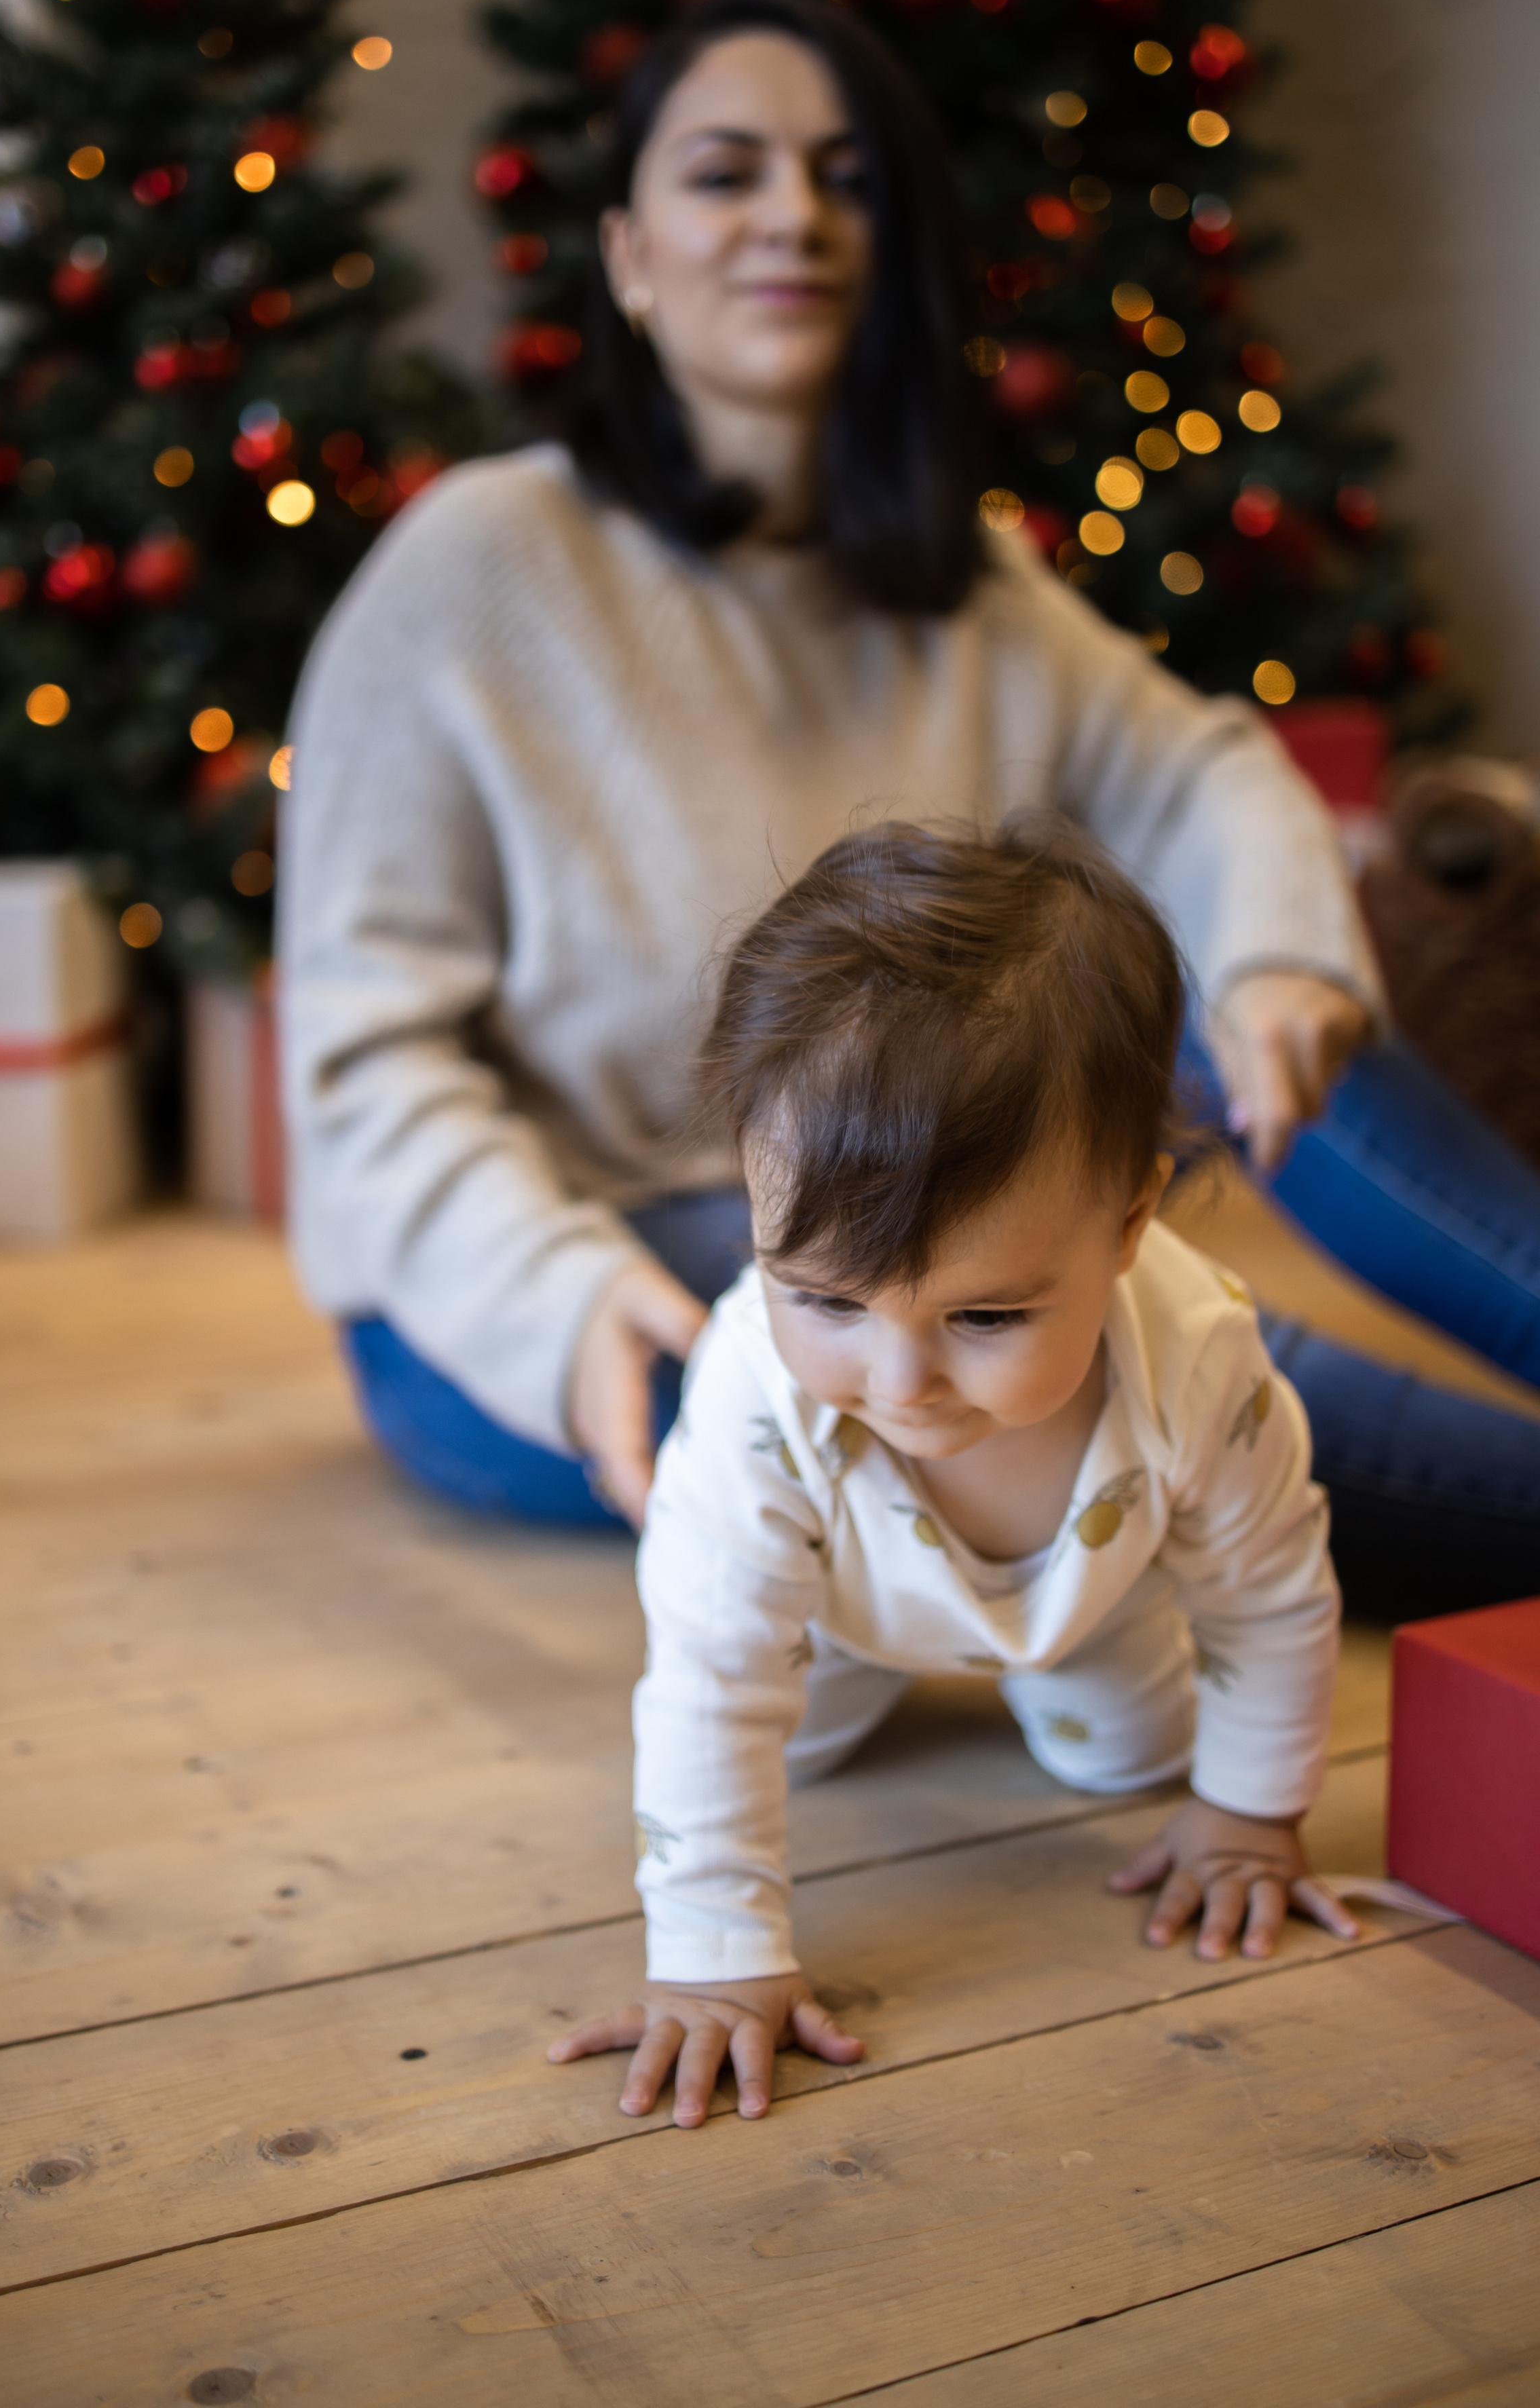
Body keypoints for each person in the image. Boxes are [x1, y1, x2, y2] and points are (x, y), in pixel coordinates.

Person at [280, 0, 1540, 1610]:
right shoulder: (475, 564)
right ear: (627, 257)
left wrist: (1278, 958)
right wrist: (544, 1295)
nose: (793, 214)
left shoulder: (964, 580)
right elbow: (362, 1051)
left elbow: (1200, 766)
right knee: (1209, 1383)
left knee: (1252, 996)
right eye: (725, 173)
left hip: (929, 1220)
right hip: (558, 1273)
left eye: (846, 176)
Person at [548, 819, 1361, 2128]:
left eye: (985, 1318)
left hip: (1094, 1606)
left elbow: (1267, 1597)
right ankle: (870, 1681)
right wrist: (717, 1959)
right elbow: (711, 1676)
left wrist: (1250, 1814)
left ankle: (1106, 1712)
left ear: (1129, 1224)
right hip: (833, 1616)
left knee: (1136, 1762)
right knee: (775, 1746)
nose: (900, 1378)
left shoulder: (1199, 1355)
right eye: (824, 1296)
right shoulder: (755, 1381)